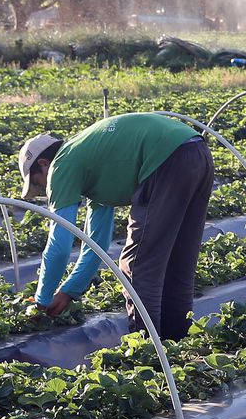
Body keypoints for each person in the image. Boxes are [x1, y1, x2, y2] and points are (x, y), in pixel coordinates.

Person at [18, 112, 214, 339]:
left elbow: (60, 244)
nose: (44, 190)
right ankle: (176, 344)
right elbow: (96, 244)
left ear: (44, 164)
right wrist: (69, 291)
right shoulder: (90, 162)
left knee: (137, 264)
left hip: (165, 158)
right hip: (196, 151)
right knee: (178, 260)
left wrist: (41, 300)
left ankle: (148, 352)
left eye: (38, 183)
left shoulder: (62, 165)